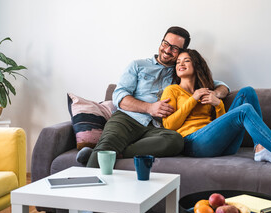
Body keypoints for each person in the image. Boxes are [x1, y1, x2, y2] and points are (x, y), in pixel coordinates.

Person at [77, 26, 229, 168]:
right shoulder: (138, 65)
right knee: (108, 143)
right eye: (165, 43)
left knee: (176, 141)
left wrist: (215, 94)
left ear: (182, 52)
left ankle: (113, 154)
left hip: (157, 129)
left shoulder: (181, 71)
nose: (167, 50)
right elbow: (119, 96)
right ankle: (87, 188)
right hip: (128, 119)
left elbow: (221, 86)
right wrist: (149, 108)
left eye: (175, 48)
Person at [161, 49, 271, 171]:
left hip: (219, 145)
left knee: (247, 92)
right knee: (244, 110)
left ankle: (260, 148)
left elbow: (222, 125)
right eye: (178, 62)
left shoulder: (207, 91)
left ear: (195, 65)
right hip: (193, 144)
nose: (180, 64)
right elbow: (169, 126)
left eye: (186, 60)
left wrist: (218, 105)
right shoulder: (172, 90)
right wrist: (193, 99)